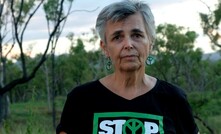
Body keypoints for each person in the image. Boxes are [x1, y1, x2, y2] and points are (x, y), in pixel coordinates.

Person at [56, 0, 199, 133]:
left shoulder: (174, 98)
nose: (128, 44)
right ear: (105, 47)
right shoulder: (81, 99)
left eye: (136, 35)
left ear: (151, 43)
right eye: (117, 37)